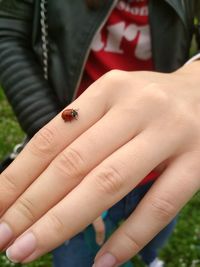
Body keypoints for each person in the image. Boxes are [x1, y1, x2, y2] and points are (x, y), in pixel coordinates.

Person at [0, 0, 199, 267]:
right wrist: (55, 134)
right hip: (77, 155)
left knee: (156, 224)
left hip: (161, 154)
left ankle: (149, 257)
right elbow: (8, 32)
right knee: (79, 250)